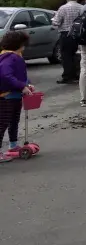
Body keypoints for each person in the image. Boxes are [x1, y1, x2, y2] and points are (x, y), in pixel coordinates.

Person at [0, 31, 36, 163]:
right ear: (19, 44)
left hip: (14, 95)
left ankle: (13, 145)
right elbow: (6, 75)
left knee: (13, 121)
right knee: (3, 123)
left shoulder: (15, 56)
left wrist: (27, 84)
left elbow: (19, 75)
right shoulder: (10, 58)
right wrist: (22, 86)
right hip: (6, 96)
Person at [52, 0, 85, 84]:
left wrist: (53, 19)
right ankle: (77, 74)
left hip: (66, 34)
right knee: (77, 55)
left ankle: (67, 75)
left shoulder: (63, 8)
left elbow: (56, 22)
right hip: (79, 34)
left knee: (66, 55)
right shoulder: (82, 8)